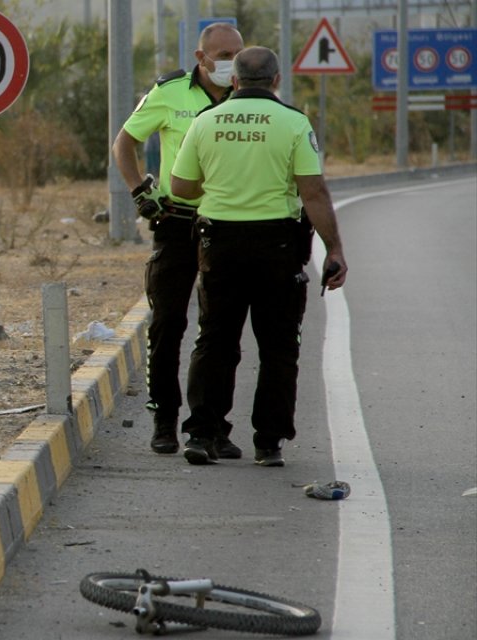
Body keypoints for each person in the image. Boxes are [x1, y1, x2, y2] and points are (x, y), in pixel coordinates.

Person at [169, 46, 348, 467]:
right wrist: (334, 248)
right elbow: (313, 192)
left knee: (214, 340)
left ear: (234, 81)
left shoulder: (205, 121)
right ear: (276, 80)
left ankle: (202, 434)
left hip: (219, 245)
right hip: (278, 248)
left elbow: (180, 186)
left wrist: (218, 185)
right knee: (279, 347)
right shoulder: (293, 123)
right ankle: (268, 442)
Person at [111, 22, 244, 456]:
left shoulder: (249, 97)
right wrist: (139, 194)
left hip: (227, 224)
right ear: (200, 57)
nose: (230, 64)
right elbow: (125, 143)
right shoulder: (169, 93)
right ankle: (164, 419)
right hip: (176, 221)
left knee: (221, 331)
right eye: (222, 56)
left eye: (236, 55)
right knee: (167, 324)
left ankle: (211, 425)